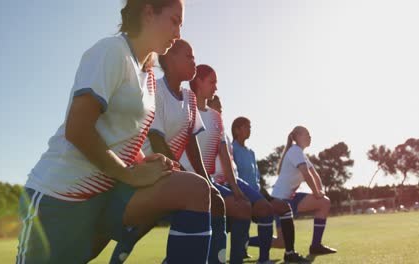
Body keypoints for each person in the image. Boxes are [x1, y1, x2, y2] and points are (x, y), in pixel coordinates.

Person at [15, 1, 213, 263]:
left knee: (195, 190)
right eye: (174, 21)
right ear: (148, 12)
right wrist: (130, 174)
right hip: (59, 197)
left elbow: (120, 137)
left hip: (109, 193)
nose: (178, 33)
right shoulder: (111, 51)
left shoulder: (148, 74)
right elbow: (78, 130)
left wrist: (144, 162)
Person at [110, 40, 226, 264]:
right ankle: (123, 248)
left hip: (167, 170)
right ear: (170, 60)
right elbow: (157, 139)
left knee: (215, 200)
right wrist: (187, 178)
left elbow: (192, 144)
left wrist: (206, 181)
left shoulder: (190, 98)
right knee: (151, 219)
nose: (194, 60)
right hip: (143, 170)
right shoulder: (155, 90)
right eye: (189, 56)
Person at [179, 65, 252, 264]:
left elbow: (224, 155)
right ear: (198, 82)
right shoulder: (184, 108)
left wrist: (235, 188)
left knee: (242, 207)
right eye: (212, 82)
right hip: (182, 178)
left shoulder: (215, 116)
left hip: (207, 180)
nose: (216, 87)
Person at [231, 117, 309, 264]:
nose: (250, 129)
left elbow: (257, 179)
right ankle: (262, 259)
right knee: (265, 210)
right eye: (246, 127)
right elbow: (232, 176)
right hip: (242, 196)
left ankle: (290, 253)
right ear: (237, 130)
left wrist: (266, 196)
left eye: (250, 126)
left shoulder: (251, 152)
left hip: (258, 194)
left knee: (285, 208)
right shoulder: (231, 149)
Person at [271, 126, 337, 255]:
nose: (310, 137)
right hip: (280, 201)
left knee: (324, 202)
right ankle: (245, 242)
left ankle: (316, 246)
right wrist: (316, 192)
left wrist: (320, 191)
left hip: (292, 199)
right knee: (281, 243)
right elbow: (306, 174)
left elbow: (315, 174)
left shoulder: (301, 153)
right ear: (298, 137)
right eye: (307, 134)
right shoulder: (294, 150)